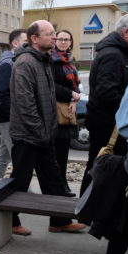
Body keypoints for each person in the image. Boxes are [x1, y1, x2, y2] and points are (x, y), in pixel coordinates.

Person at [80, 13, 128, 254]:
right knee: (102, 171)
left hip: (112, 125)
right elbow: (107, 92)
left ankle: (91, 212)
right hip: (108, 127)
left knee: (100, 171)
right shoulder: (112, 56)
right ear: (126, 32)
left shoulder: (119, 54)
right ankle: (91, 212)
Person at [8, 20, 86, 237]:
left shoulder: (42, 60)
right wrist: (41, 131)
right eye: (50, 34)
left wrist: (47, 131)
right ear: (34, 38)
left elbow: (49, 97)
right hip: (28, 135)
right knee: (19, 182)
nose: (54, 37)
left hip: (43, 134)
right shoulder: (25, 62)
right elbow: (25, 103)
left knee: (53, 178)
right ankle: (10, 221)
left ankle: (60, 220)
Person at [0, 29, 27, 182]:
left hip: (8, 116)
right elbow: (2, 94)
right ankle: (24, 190)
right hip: (7, 117)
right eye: (26, 42)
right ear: (15, 43)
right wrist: (14, 115)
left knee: (4, 154)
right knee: (17, 156)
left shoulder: (14, 61)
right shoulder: (8, 63)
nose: (29, 46)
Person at [50, 29, 82, 197]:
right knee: (58, 153)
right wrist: (71, 95)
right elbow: (51, 86)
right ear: (55, 41)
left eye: (66, 39)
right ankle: (60, 186)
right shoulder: (52, 61)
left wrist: (74, 99)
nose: (63, 42)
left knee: (63, 151)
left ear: (71, 42)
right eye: (60, 39)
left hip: (67, 109)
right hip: (56, 113)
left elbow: (75, 85)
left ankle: (62, 184)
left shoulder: (69, 61)